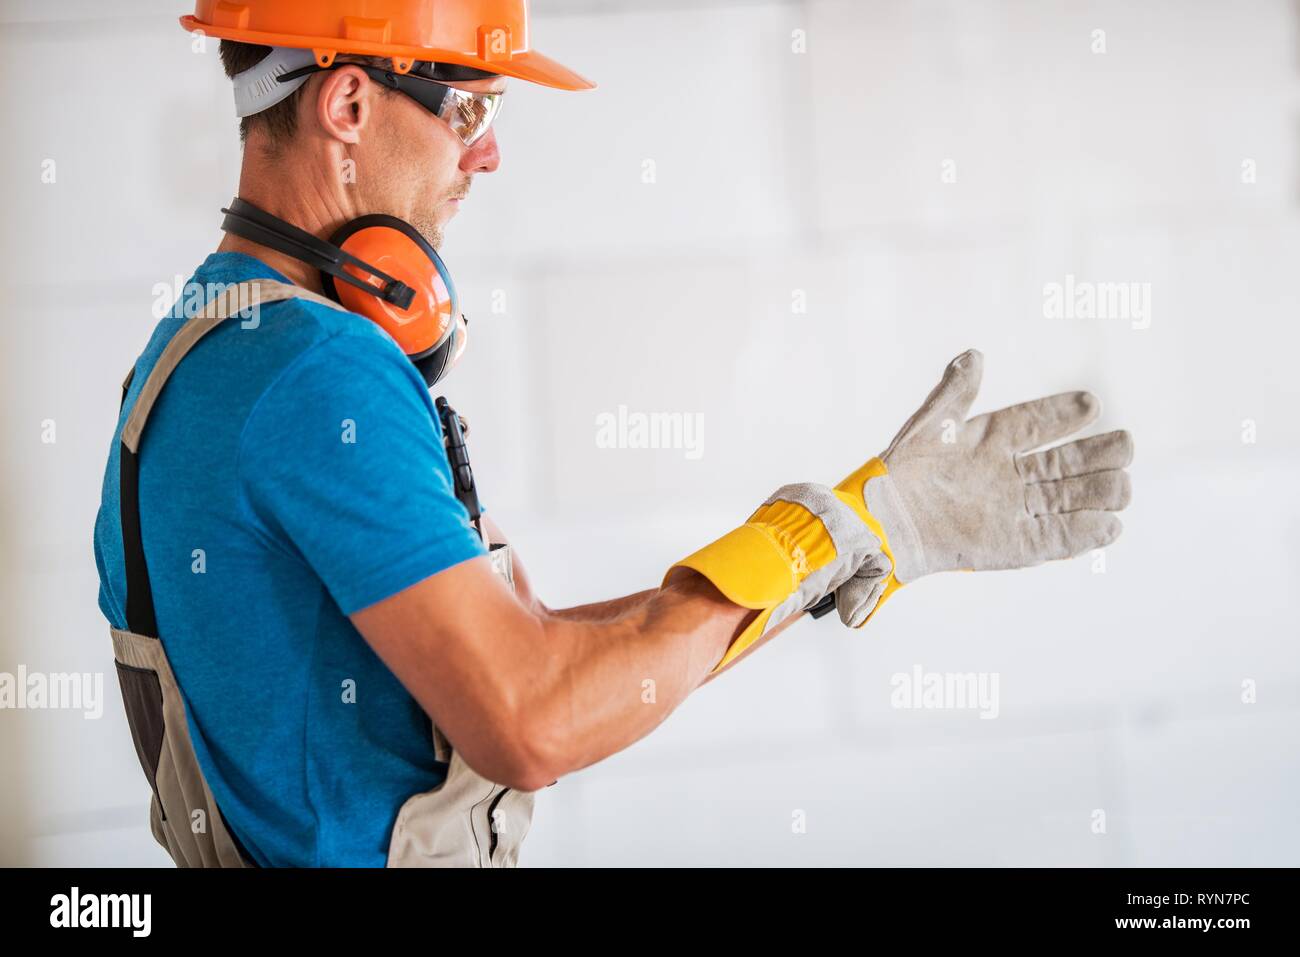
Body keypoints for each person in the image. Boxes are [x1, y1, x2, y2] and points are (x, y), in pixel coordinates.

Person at [93, 0, 1134, 868]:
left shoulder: (203, 340)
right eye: (470, 106)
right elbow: (532, 718)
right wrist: (818, 534)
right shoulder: (318, 371)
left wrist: (857, 536)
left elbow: (543, 660)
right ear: (350, 103)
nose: (488, 152)